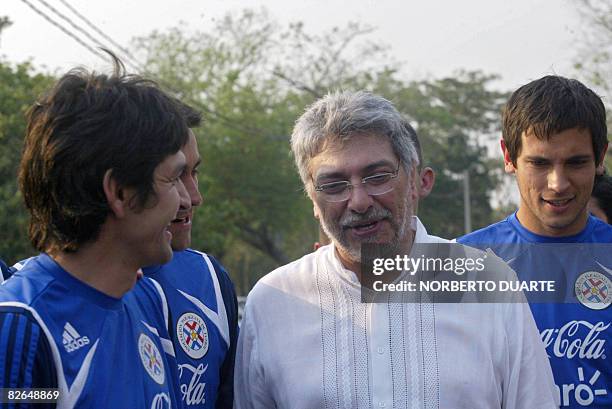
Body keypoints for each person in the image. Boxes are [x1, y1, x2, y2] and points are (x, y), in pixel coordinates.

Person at [235, 90, 557, 408]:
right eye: (334, 185)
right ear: (313, 200)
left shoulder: (488, 286)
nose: (359, 202)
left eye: (378, 177)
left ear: (414, 179)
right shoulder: (273, 302)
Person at [0, 54, 188, 408]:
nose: (186, 200)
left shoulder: (147, 299)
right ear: (118, 192)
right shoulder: (22, 326)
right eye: (173, 178)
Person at [459, 75, 611, 408]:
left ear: (601, 157)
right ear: (508, 156)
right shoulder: (463, 264)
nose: (558, 183)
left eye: (576, 162)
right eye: (539, 163)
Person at [142, 105, 239, 408]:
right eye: (175, 177)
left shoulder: (210, 279)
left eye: (194, 172)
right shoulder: (27, 307)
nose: (194, 197)